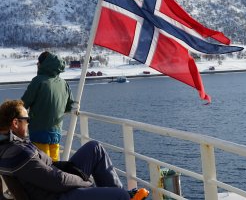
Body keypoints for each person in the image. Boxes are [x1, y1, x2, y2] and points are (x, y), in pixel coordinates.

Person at [0, 99, 149, 200]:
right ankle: (122, 196)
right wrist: (85, 182)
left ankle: (122, 195)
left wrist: (70, 170)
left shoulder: (15, 144)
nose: (29, 124)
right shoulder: (17, 153)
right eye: (27, 120)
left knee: (94, 148)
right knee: (119, 195)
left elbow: (50, 169)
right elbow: (57, 181)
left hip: (55, 185)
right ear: (15, 123)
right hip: (56, 195)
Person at [21, 51, 74, 161]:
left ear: (42, 64)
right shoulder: (64, 83)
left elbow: (23, 104)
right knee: (54, 162)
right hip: (56, 131)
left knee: (42, 163)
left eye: (38, 63)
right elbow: (69, 106)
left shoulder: (38, 81)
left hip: (39, 130)